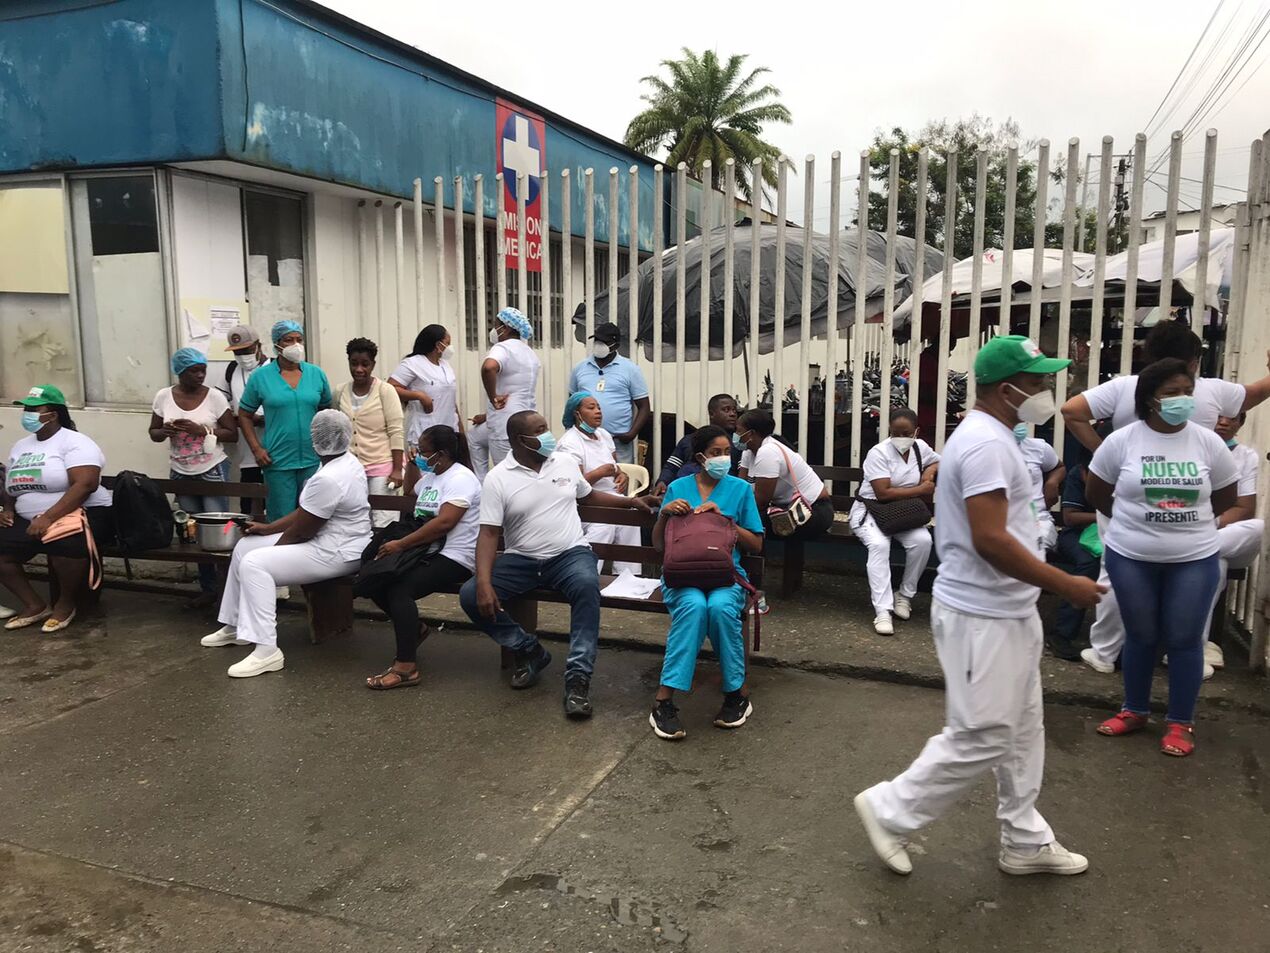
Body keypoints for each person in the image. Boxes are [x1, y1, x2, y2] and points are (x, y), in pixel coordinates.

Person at [854, 336, 1102, 878]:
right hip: (981, 614)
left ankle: (1024, 839)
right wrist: (1063, 582)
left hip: (1003, 609)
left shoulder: (994, 437)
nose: (1044, 391)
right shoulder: (986, 443)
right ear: (1005, 388)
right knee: (984, 731)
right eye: (1036, 381)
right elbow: (991, 539)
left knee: (1022, 727)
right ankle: (892, 808)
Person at [1061, 321, 1270, 674]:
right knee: (1199, 569)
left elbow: (1071, 411)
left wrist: (1105, 455)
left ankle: (1105, 652)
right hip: (1189, 500)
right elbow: (1254, 395)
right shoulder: (1212, 391)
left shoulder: (1126, 388)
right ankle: (1184, 651)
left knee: (1115, 569)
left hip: (1127, 493)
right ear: (1193, 361)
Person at [1085, 358, 1238, 758]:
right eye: (1172, 393)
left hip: (1194, 558)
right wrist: (1137, 524)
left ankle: (1179, 722)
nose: (1182, 400)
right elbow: (1097, 493)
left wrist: (1184, 525)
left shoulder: (1208, 442)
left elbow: (1225, 497)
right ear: (1150, 398)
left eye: (1187, 392)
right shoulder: (1122, 441)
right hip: (1131, 555)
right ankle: (1134, 710)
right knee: (1140, 635)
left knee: (1186, 639)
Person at [459, 410, 654, 719]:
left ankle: (578, 680)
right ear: (520, 441)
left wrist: (630, 501)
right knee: (471, 596)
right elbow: (489, 533)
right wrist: (483, 582)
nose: (548, 435)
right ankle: (529, 650)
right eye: (540, 430)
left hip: (569, 554)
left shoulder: (562, 462)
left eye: (546, 427)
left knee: (587, 588)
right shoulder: (498, 478)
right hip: (520, 559)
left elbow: (588, 497)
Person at [200, 411, 371, 678]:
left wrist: (271, 549)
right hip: (333, 541)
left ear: (315, 439)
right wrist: (267, 529)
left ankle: (267, 651)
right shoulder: (343, 460)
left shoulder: (329, 476)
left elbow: (302, 531)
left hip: (337, 551)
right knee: (245, 547)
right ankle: (236, 626)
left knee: (256, 563)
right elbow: (309, 510)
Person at [648, 425, 764, 741]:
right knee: (694, 606)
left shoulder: (740, 490)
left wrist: (725, 520)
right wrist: (664, 515)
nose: (723, 458)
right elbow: (659, 545)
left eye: (727, 452)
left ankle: (737, 694)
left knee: (722, 608)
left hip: (725, 576)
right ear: (700, 457)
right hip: (682, 576)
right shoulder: (678, 487)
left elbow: (756, 544)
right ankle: (664, 701)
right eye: (716, 453)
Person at [361, 425, 480, 690]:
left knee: (399, 589)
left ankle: (406, 668)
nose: (421, 455)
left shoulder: (461, 478)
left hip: (456, 556)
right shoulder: (433, 476)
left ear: (442, 453)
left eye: (424, 452)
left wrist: (400, 545)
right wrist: (414, 463)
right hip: (427, 550)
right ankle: (414, 630)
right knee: (375, 579)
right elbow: (409, 491)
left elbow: (444, 523)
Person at [1, 385, 114, 633]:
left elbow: (85, 484)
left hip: (80, 513)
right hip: (30, 517)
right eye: (26, 409)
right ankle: (34, 605)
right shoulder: (21, 446)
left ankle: (65, 603)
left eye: (34, 409)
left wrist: (48, 517)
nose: (27, 414)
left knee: (64, 541)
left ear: (53, 414)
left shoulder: (75, 442)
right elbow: (11, 485)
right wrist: (7, 509)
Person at [149, 347, 238, 608]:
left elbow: (231, 433)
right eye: (194, 371)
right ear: (180, 372)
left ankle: (226, 591)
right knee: (192, 533)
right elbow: (153, 432)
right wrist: (164, 430)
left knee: (218, 534)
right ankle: (208, 588)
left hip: (211, 468)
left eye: (203, 370)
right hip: (180, 470)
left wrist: (202, 430)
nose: (200, 375)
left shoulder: (215, 398)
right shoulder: (164, 396)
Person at [851, 407, 939, 636]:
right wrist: (921, 488)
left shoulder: (920, 448)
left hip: (901, 513)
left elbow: (937, 461)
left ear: (916, 431)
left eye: (906, 433)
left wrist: (928, 475)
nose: (901, 438)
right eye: (895, 433)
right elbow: (883, 493)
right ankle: (882, 611)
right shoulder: (878, 453)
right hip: (871, 510)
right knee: (879, 545)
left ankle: (905, 596)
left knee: (923, 541)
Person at [237, 320, 333, 524]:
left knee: (312, 517)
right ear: (277, 344)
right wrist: (256, 449)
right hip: (277, 460)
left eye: (299, 339)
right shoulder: (261, 377)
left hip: (312, 459)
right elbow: (244, 414)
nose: (295, 345)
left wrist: (326, 447)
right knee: (280, 519)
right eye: (289, 340)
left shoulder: (316, 375)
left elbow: (326, 410)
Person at [1203, 411, 1265, 672]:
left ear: (1241, 423)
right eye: (1219, 416)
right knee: (1217, 565)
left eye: (1233, 418)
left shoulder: (1246, 455)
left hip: (1215, 533)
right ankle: (1196, 645)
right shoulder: (1191, 447)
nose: (1225, 422)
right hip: (1202, 541)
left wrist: (1206, 526)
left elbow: (1244, 508)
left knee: (1261, 527)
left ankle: (1197, 547)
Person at [557, 392, 641, 575]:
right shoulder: (569, 443)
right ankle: (585, 575)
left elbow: (615, 467)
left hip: (612, 498)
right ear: (576, 414)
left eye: (599, 407)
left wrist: (622, 475)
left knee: (631, 517)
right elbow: (574, 486)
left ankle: (629, 577)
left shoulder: (603, 435)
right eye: (591, 407)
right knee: (605, 525)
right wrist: (599, 473)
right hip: (585, 503)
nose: (598, 412)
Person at [334, 337, 405, 529]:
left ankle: (384, 557)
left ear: (373, 364)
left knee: (383, 519)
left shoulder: (385, 391)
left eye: (365, 364)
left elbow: (396, 431)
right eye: (354, 364)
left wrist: (397, 469)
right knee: (356, 519)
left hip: (381, 467)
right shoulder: (340, 392)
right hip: (351, 469)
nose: (359, 369)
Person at [736, 410, 834, 542]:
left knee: (744, 524)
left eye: (739, 431)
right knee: (738, 522)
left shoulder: (768, 451)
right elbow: (740, 487)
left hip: (812, 512)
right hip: (785, 510)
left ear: (751, 434)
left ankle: (748, 561)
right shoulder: (749, 450)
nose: (736, 435)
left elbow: (761, 502)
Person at [568, 322, 651, 465]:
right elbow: (572, 402)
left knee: (620, 481)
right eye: (597, 341)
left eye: (605, 342)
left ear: (616, 345)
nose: (599, 345)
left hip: (618, 441)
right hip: (586, 439)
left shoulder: (630, 369)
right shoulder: (580, 368)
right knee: (588, 481)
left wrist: (631, 434)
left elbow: (644, 406)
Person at [1049, 458, 1100, 661]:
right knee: (1089, 562)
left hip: (1115, 533)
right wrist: (1108, 515)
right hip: (1077, 535)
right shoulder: (1078, 473)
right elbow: (1070, 517)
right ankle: (1062, 633)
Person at [218, 325, 272, 515]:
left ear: (258, 346)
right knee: (248, 508)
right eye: (237, 352)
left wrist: (263, 419)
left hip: (274, 449)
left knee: (274, 504)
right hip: (247, 453)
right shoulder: (232, 369)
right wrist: (240, 418)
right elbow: (220, 405)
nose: (242, 356)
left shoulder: (275, 368)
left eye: (246, 350)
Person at [388, 324, 460, 459]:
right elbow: (390, 388)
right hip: (423, 432)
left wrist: (460, 430)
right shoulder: (412, 364)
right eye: (448, 343)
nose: (450, 348)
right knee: (424, 473)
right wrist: (419, 395)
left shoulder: (445, 365)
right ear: (438, 345)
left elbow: (451, 401)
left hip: (448, 431)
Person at [481, 307, 541, 468]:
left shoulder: (503, 347)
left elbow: (488, 367)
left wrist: (493, 397)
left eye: (495, 326)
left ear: (505, 328)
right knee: (527, 470)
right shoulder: (529, 353)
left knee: (507, 472)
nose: (493, 331)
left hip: (504, 424)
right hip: (528, 421)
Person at [654, 394, 741, 493]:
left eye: (734, 410)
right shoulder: (689, 440)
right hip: (683, 493)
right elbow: (671, 467)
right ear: (712, 414)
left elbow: (742, 475)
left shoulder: (738, 444)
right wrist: (662, 482)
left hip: (724, 493)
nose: (732, 414)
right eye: (726, 410)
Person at [1013, 425, 1064, 552]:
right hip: (999, 520)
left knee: (1033, 549)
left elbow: (1058, 467)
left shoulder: (1038, 447)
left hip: (1037, 518)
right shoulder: (984, 450)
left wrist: (1052, 483)